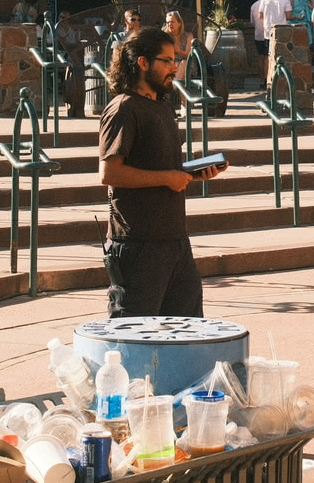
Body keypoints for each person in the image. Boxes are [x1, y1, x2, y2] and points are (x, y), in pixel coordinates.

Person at [97, 28, 227, 315]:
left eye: (175, 60)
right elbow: (109, 173)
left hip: (174, 240)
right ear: (142, 63)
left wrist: (190, 173)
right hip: (137, 244)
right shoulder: (123, 109)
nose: (174, 67)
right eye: (166, 61)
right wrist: (167, 178)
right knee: (134, 337)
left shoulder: (163, 106)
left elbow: (158, 167)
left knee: (188, 333)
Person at [251, 0, 291, 75]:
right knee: (282, 56)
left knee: (267, 57)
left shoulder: (264, 0)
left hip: (268, 32)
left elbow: (260, 16)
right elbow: (289, 16)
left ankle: (267, 80)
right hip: (282, 31)